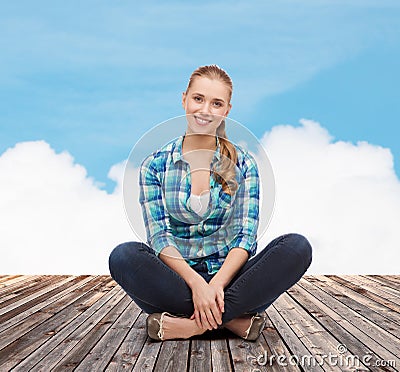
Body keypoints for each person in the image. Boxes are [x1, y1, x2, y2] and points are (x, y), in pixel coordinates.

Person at [109, 65, 312, 342]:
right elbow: (159, 236)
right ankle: (232, 321)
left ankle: (189, 326)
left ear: (227, 110)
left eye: (216, 103)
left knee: (297, 247)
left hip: (231, 278)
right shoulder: (154, 165)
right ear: (184, 99)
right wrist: (196, 284)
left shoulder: (244, 164)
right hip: (176, 281)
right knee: (123, 256)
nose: (205, 110)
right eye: (198, 99)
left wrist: (215, 284)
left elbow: (245, 236)